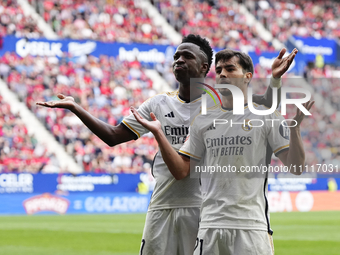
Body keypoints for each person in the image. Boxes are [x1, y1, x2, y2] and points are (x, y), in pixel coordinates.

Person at [36, 34, 297, 255]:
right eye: (176, 57)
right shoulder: (157, 104)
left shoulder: (221, 102)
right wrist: (76, 107)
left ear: (205, 67)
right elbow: (114, 136)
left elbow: (262, 110)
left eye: (187, 57)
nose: (179, 61)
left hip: (204, 209)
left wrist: (275, 81)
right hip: (162, 203)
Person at [130, 48, 313, 255]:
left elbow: (296, 167)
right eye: (218, 71)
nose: (222, 74)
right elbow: (181, 171)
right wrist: (159, 134)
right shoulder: (203, 120)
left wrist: (295, 130)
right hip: (209, 227)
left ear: (247, 77)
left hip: (251, 227)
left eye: (229, 68)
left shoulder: (267, 116)